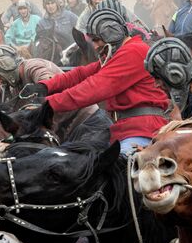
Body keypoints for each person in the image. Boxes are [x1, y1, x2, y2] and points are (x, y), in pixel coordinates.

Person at [22, 9, 169, 155]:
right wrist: (44, 87)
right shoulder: (119, 54)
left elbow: (92, 88)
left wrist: (46, 104)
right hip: (125, 128)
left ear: (113, 33)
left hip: (144, 129)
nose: (95, 46)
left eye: (97, 39)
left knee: (119, 167)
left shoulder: (134, 51)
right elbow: (80, 74)